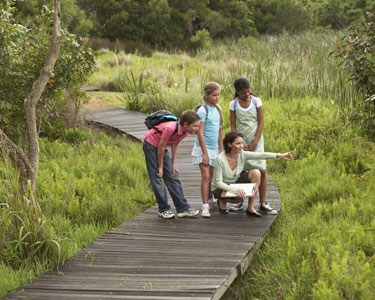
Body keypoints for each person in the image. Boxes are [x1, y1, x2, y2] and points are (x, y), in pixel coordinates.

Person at [212, 132, 293, 217]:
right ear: (229, 144)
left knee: (256, 173)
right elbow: (218, 183)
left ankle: (250, 208)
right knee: (239, 197)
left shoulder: (242, 154)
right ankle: (222, 200)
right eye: (238, 143)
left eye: (242, 142)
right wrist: (236, 190)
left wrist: (279, 155)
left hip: (234, 183)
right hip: (220, 188)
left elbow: (260, 155)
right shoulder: (220, 159)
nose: (242, 146)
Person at [143, 110, 201, 219]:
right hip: (151, 145)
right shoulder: (170, 128)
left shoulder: (187, 131)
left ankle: (182, 208)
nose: (197, 129)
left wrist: (173, 164)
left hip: (162, 147)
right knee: (157, 177)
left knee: (173, 176)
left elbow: (175, 143)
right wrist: (160, 168)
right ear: (185, 124)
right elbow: (160, 148)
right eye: (195, 126)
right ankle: (163, 209)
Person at [229, 77, 274, 214]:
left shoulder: (256, 101)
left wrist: (255, 142)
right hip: (241, 142)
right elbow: (233, 125)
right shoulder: (234, 104)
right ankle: (241, 201)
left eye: (248, 91)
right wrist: (238, 144)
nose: (247, 94)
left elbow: (261, 122)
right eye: (243, 92)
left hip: (256, 140)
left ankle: (263, 202)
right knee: (243, 172)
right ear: (237, 92)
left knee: (262, 171)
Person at [191, 82, 224, 218]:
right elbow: (200, 132)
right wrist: (205, 153)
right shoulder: (202, 110)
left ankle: (211, 201)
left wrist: (221, 149)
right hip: (203, 149)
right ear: (207, 95)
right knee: (205, 177)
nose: (217, 98)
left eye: (218, 95)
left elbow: (219, 130)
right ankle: (205, 206)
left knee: (211, 178)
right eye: (214, 95)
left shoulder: (217, 109)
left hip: (214, 149)